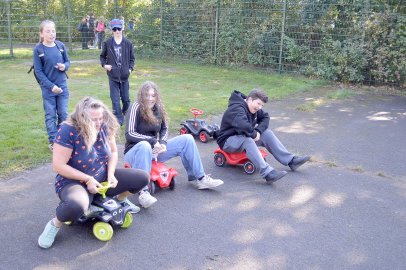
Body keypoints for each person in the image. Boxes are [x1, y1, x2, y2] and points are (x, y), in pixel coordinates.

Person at [38, 97, 149, 249]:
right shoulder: (68, 131)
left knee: (142, 178)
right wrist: (88, 179)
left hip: (101, 178)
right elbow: (58, 166)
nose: (98, 123)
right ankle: (55, 223)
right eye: (93, 119)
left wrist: (110, 175)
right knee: (76, 206)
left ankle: (121, 199)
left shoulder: (104, 125)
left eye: (100, 118)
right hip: (74, 182)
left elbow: (114, 152)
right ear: (82, 118)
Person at [124, 81, 224, 208]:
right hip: (135, 151)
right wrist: (153, 141)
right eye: (147, 95)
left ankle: (201, 178)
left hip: (154, 151)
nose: (150, 98)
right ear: (141, 95)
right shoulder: (135, 107)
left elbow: (164, 128)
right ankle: (143, 192)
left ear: (157, 96)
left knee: (187, 138)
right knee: (144, 145)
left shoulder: (159, 108)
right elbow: (130, 133)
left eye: (153, 95)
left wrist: (163, 143)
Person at [216, 89, 311, 183]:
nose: (260, 107)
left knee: (266, 133)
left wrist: (258, 131)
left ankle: (291, 160)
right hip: (228, 141)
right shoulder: (236, 109)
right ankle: (268, 174)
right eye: (258, 103)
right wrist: (254, 134)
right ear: (249, 99)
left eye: (262, 105)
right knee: (248, 140)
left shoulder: (253, 108)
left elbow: (265, 117)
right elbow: (243, 126)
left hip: (242, 136)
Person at [33, 20, 70, 151]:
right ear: (42, 34)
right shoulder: (38, 50)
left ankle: (63, 140)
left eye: (53, 31)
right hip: (48, 89)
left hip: (62, 87)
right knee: (50, 115)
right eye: (48, 31)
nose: (51, 34)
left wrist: (64, 66)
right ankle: (54, 142)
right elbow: (38, 72)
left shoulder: (60, 46)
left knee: (64, 114)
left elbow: (67, 62)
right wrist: (51, 86)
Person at [99, 18, 134, 125]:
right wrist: (105, 65)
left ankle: (126, 113)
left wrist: (130, 69)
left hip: (124, 76)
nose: (117, 31)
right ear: (112, 30)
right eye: (114, 29)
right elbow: (102, 57)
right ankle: (118, 119)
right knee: (115, 100)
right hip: (113, 76)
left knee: (126, 99)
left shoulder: (128, 43)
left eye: (119, 28)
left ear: (122, 28)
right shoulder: (107, 43)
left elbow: (132, 59)